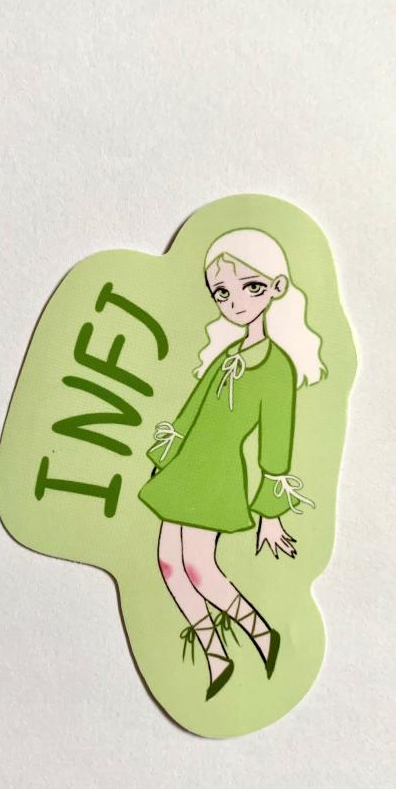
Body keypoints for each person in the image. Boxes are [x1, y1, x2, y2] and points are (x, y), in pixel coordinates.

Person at [138, 228, 325, 699]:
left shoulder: (276, 367)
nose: (235, 301)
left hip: (218, 473)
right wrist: (165, 459)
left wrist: (270, 514)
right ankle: (215, 654)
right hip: (187, 467)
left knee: (200, 566)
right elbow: (191, 411)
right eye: (222, 293)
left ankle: (262, 633)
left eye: (250, 287)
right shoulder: (228, 355)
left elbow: (276, 443)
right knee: (168, 563)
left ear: (277, 288)